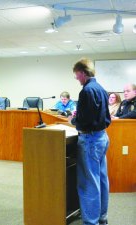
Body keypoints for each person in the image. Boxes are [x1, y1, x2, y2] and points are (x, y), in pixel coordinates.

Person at [69, 58, 110, 225]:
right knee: (101, 179)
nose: (76, 78)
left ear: (83, 72)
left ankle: (91, 222)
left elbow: (85, 120)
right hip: (102, 137)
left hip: (90, 140)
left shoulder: (86, 91)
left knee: (89, 183)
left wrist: (73, 120)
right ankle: (102, 217)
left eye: (77, 74)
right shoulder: (101, 88)